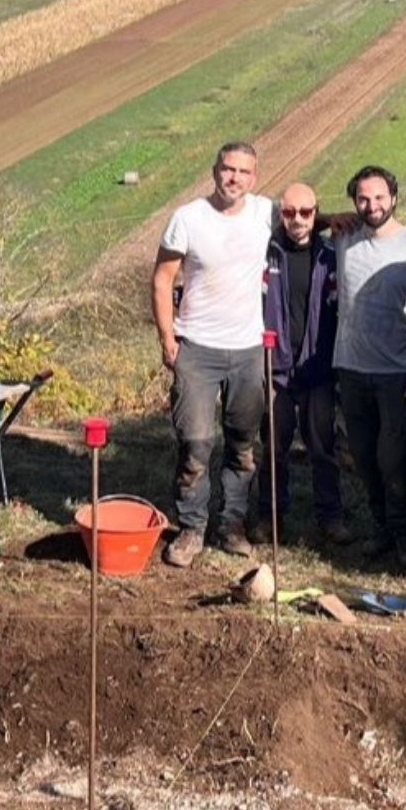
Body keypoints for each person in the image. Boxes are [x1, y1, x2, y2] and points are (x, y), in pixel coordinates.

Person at [150, 142, 274, 568]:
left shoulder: (266, 213)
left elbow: (306, 219)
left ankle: (232, 524)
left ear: (254, 178)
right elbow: (162, 279)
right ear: (214, 171)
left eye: (243, 171)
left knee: (242, 444)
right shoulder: (188, 219)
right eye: (227, 169)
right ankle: (191, 527)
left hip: (248, 349)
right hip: (197, 349)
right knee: (195, 443)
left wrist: (339, 219)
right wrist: (167, 336)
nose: (234, 177)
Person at [327, 165, 406, 568]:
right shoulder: (344, 239)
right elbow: (297, 221)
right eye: (363, 198)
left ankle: (405, 535)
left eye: (379, 197)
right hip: (351, 368)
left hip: (397, 374)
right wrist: (330, 218)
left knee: (395, 459)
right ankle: (381, 529)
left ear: (393, 197)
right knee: (363, 456)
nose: (371, 205)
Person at [256, 182, 345, 546]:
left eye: (306, 212)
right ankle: (270, 516)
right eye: (289, 213)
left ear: (316, 214)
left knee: (323, 447)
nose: (297, 220)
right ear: (280, 214)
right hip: (275, 367)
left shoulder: (330, 256)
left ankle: (331, 516)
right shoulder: (265, 253)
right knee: (273, 447)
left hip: (317, 368)